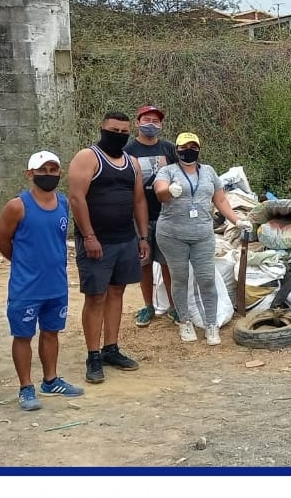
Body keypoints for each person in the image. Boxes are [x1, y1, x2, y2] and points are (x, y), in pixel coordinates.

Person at [0, 151, 85, 411]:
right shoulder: (17, 206)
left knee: (51, 332)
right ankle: (26, 387)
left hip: (56, 285)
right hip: (26, 287)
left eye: (53, 170)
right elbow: (2, 240)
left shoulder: (63, 202)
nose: (48, 175)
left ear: (60, 173)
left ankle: (51, 380)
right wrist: (23, 263)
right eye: (42, 170)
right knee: (23, 335)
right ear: (29, 173)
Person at [67, 111, 151, 384]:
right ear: (102, 129)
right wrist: (89, 236)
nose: (119, 135)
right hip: (97, 242)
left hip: (125, 239)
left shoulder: (132, 163)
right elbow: (77, 198)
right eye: (114, 131)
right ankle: (93, 355)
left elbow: (139, 201)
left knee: (117, 292)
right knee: (95, 297)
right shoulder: (87, 157)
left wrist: (142, 237)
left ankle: (111, 349)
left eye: (124, 132)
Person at [154, 132, 249, 345]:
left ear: (198, 149)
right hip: (172, 235)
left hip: (202, 234)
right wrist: (169, 190)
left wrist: (237, 220)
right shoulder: (168, 171)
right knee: (180, 278)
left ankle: (211, 324)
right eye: (184, 147)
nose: (188, 151)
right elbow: (160, 192)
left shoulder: (208, 171)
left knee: (206, 278)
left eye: (193, 147)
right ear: (177, 150)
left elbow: (220, 200)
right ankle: (184, 321)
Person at [124, 104, 179, 328]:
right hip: (139, 218)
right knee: (144, 263)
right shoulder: (128, 150)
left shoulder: (169, 149)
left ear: (161, 125)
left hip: (167, 215)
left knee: (168, 264)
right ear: (137, 123)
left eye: (156, 121)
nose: (151, 124)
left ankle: (174, 307)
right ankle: (148, 306)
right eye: (146, 120)